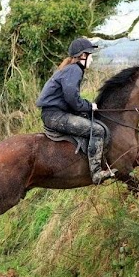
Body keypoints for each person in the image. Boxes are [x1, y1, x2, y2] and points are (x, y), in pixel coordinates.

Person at [36, 37, 117, 185]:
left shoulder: (70, 69)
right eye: (90, 55)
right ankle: (96, 173)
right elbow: (72, 98)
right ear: (83, 56)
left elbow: (71, 98)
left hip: (55, 114)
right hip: (55, 116)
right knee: (97, 130)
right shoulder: (74, 70)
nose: (92, 59)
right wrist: (88, 106)